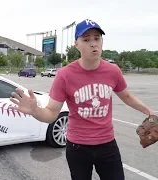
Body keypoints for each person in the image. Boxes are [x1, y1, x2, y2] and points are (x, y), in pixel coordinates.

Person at [9, 19, 154, 180]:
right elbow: (51, 112)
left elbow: (126, 96)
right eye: (86, 39)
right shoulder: (64, 75)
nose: (93, 44)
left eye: (97, 38)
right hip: (78, 148)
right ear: (76, 44)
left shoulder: (113, 71)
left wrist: (147, 110)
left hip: (107, 145)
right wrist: (35, 111)